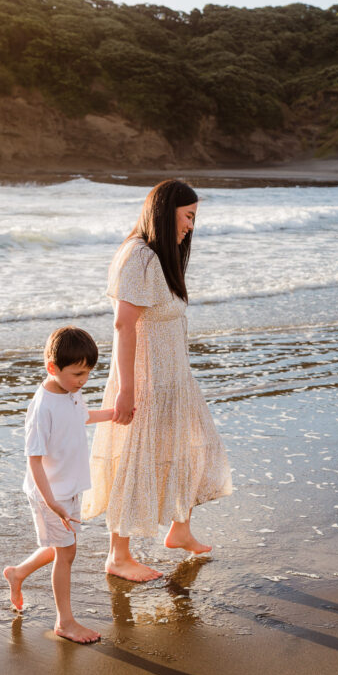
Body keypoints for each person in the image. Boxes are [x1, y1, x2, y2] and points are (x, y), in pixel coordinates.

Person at [83, 179, 232, 582]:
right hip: (146, 381)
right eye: (187, 217)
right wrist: (128, 390)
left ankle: (180, 530)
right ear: (167, 213)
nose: (190, 226)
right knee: (135, 460)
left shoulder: (160, 258)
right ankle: (118, 555)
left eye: (194, 218)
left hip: (175, 380)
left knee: (189, 449)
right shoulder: (138, 257)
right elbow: (123, 325)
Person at [2, 326, 119, 644]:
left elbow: (81, 418)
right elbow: (34, 460)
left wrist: (113, 414)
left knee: (61, 547)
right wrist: (51, 502)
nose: (83, 380)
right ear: (52, 368)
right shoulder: (42, 407)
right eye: (78, 373)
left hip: (68, 487)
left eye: (88, 373)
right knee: (66, 553)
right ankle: (64, 622)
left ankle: (18, 573)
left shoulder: (70, 392)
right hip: (50, 493)